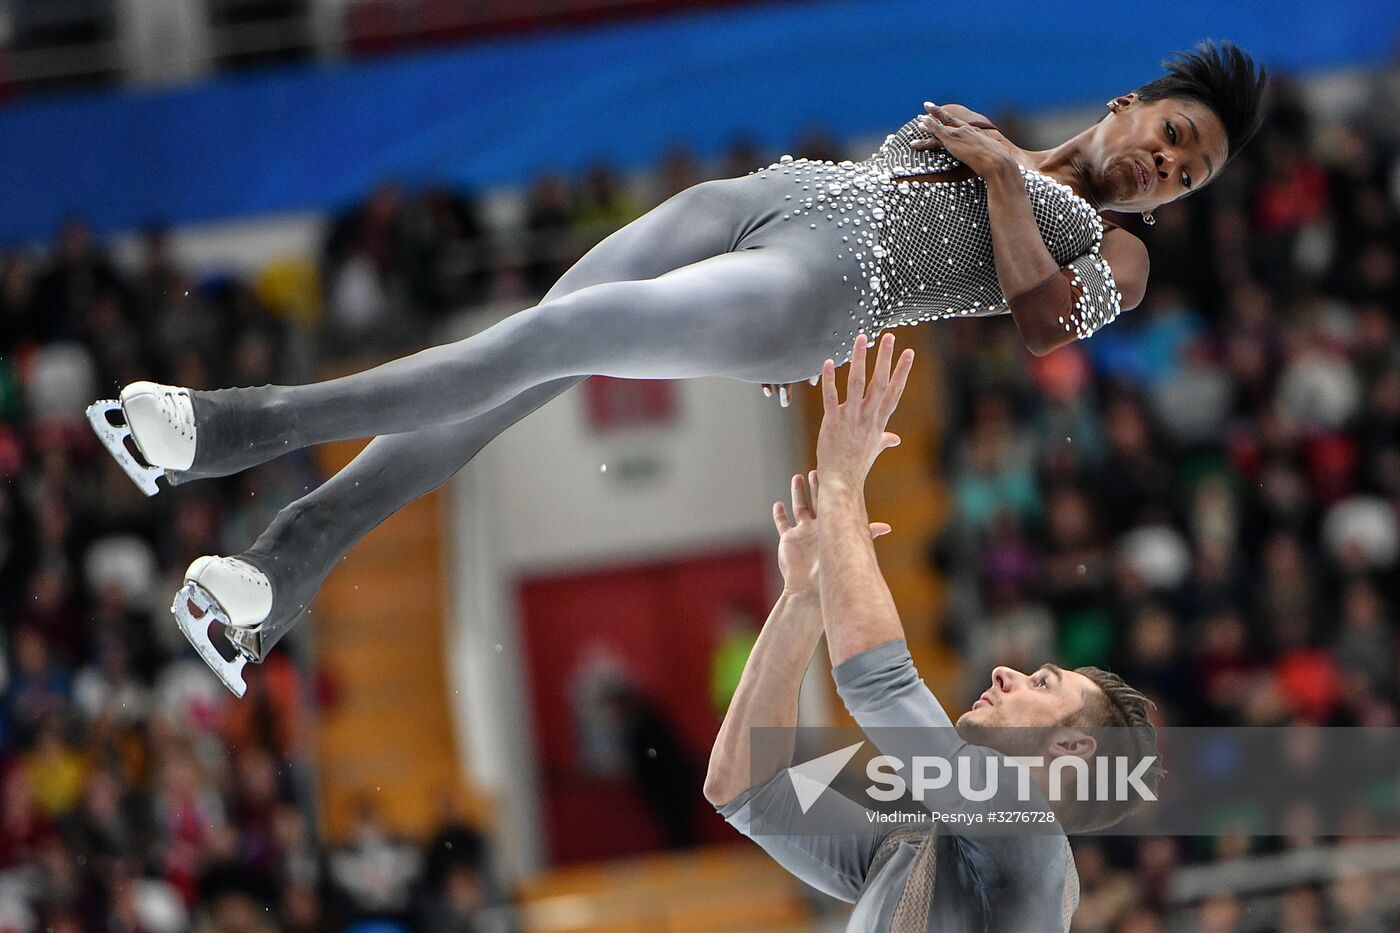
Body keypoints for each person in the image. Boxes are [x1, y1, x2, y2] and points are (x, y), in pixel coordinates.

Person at [87, 43, 1266, 694]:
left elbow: (1045, 324)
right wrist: (994, 161)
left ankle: (235, 424)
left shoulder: (1113, 249)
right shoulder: (989, 137)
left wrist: (1006, 182)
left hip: (811, 293)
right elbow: (891, 189)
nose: (1168, 165)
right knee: (517, 368)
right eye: (1171, 134)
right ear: (1127, 104)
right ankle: (277, 577)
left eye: (1191, 172)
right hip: (758, 203)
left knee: (541, 345)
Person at [704, 334, 1162, 931]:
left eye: (1042, 685)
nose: (1007, 672)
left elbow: (881, 687)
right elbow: (745, 791)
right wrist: (802, 597)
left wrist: (842, 480)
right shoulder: (911, 845)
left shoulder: (1030, 837)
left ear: (1072, 750)